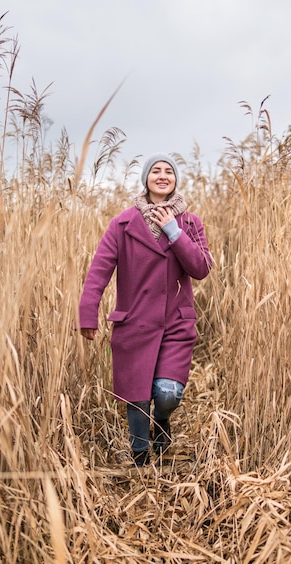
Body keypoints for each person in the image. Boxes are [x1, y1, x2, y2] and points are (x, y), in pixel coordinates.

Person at [78, 153, 212, 466]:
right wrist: (88, 313)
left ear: (176, 180)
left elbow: (201, 268)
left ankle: (162, 422)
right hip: (134, 322)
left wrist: (173, 232)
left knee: (166, 394)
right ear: (146, 179)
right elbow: (99, 270)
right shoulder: (122, 223)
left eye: (169, 171)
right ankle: (140, 460)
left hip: (175, 324)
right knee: (137, 396)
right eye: (156, 171)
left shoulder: (190, 223)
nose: (162, 176)